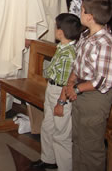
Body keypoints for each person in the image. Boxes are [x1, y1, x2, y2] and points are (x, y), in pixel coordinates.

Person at [65, 0, 112, 171]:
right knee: (78, 140)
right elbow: (79, 62)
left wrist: (78, 88)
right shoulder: (86, 35)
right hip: (80, 92)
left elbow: (103, 80)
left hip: (95, 98)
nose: (79, 13)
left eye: (81, 10)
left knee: (91, 146)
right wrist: (71, 80)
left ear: (89, 17)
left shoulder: (106, 44)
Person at [30, 13, 82, 171]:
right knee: (48, 126)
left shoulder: (69, 54)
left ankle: (65, 167)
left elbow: (68, 83)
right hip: (51, 89)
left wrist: (61, 102)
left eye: (55, 27)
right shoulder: (62, 47)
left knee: (61, 134)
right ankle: (48, 160)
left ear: (60, 32)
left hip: (61, 94)